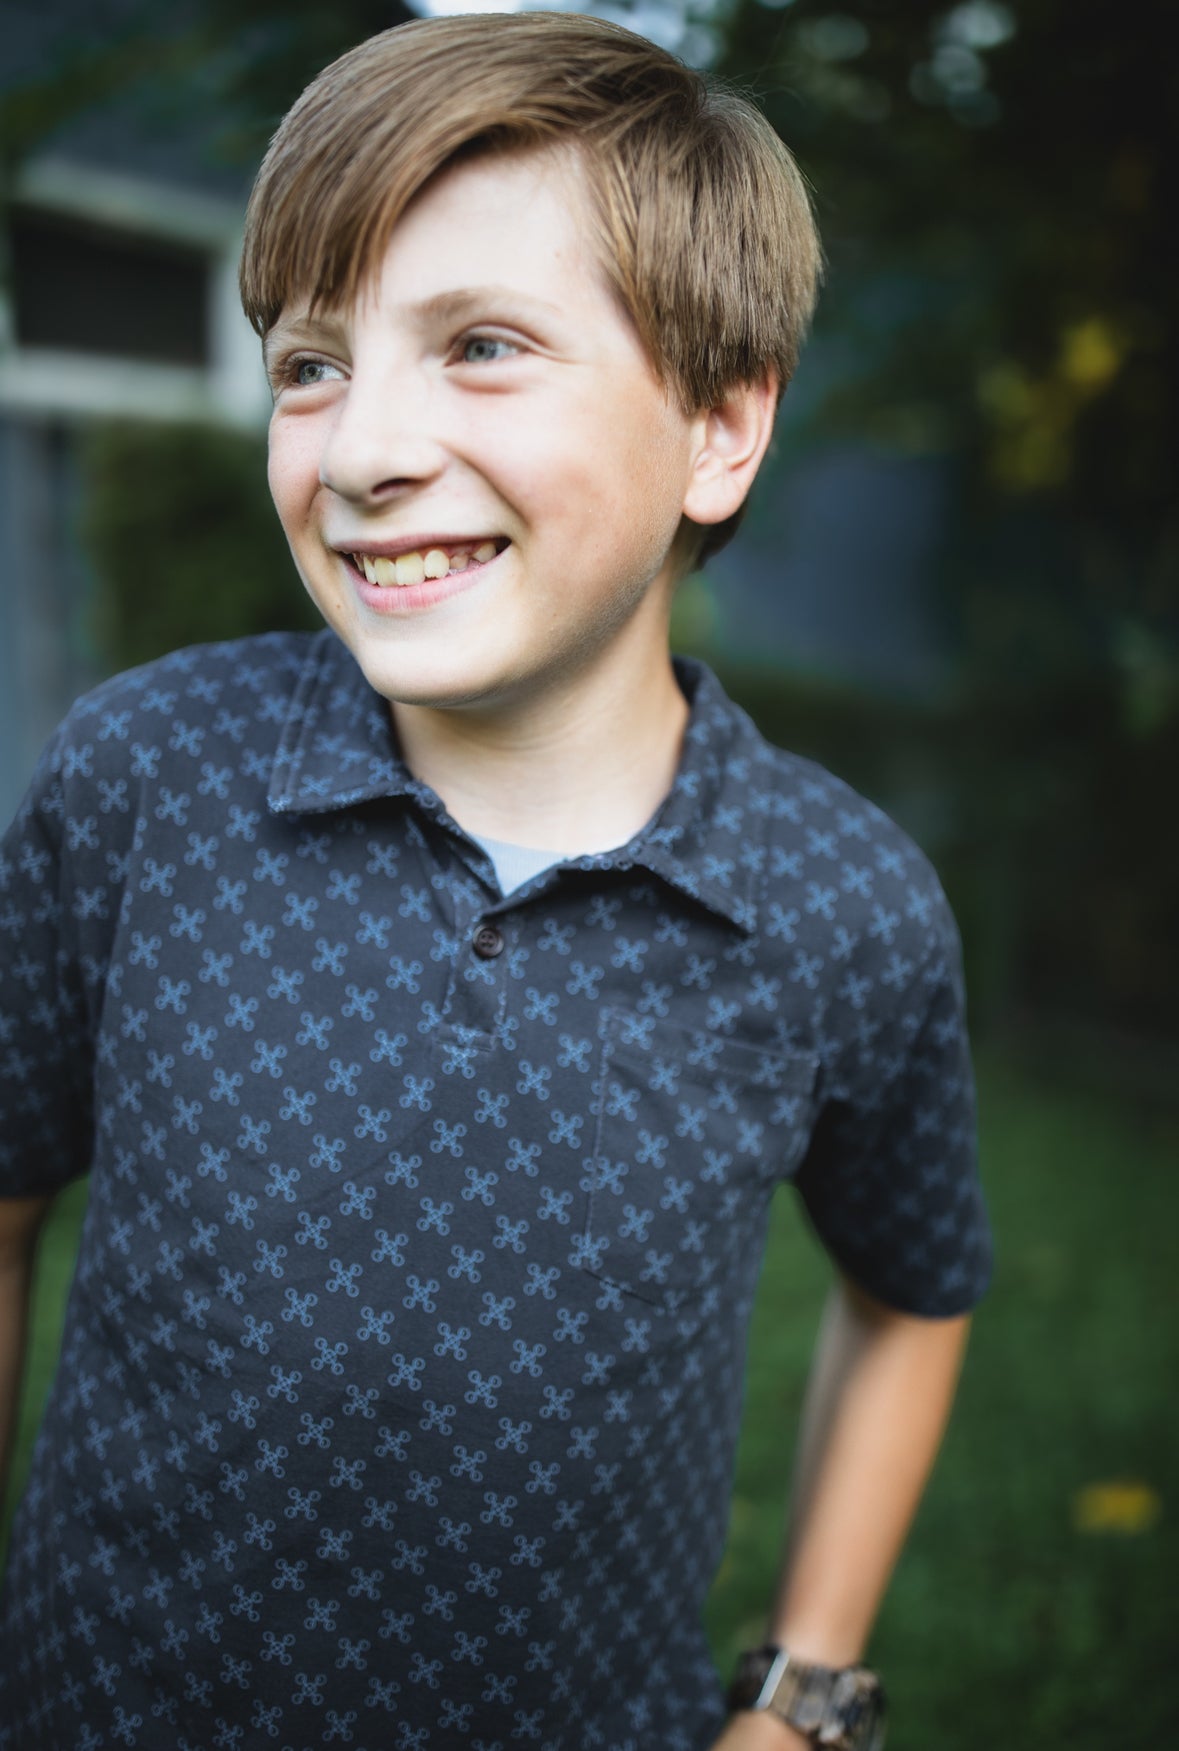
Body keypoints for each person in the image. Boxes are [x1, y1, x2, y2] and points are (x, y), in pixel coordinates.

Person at [0, 13, 991, 1750]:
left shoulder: (843, 904)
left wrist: (805, 1693)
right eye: (309, 364)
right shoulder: (145, 775)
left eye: (479, 347)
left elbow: (915, 1290)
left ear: (719, 429)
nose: (363, 446)